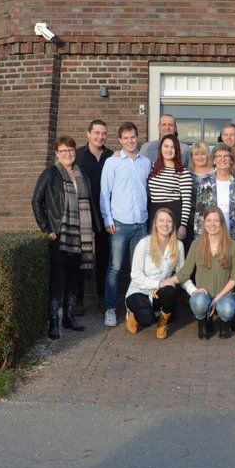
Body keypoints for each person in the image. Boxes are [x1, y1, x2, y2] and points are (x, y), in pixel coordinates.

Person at [31, 135, 97, 339]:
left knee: (73, 279)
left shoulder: (81, 173)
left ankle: (69, 318)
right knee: (57, 281)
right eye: (63, 151)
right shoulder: (50, 174)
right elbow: (36, 202)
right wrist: (46, 228)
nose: (68, 154)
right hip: (60, 236)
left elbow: (89, 203)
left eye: (71, 150)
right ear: (57, 154)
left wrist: (91, 229)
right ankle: (54, 322)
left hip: (80, 236)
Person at [100, 122, 152, 327]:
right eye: (126, 138)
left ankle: (133, 308)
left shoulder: (145, 163)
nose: (130, 141)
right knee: (115, 267)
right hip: (119, 223)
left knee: (137, 269)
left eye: (133, 137)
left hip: (141, 223)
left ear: (137, 138)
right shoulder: (112, 163)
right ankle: (110, 309)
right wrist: (108, 218)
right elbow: (105, 192)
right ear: (120, 140)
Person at [171, 206, 235, 339]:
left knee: (226, 309)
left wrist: (217, 298)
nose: (212, 224)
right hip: (203, 295)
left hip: (225, 295)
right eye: (209, 220)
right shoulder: (196, 245)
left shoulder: (233, 246)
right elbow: (185, 272)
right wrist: (163, 283)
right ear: (204, 223)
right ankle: (203, 322)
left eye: (216, 220)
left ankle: (225, 323)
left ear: (222, 223)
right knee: (199, 302)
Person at [124, 208, 185, 340]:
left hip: (159, 292)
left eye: (169, 221)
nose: (165, 224)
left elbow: (182, 275)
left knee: (171, 290)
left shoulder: (178, 245)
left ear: (173, 224)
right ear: (155, 224)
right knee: (146, 320)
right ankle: (132, 314)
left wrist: (195, 292)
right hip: (139, 290)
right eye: (161, 220)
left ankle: (162, 324)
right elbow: (135, 275)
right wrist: (158, 283)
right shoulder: (144, 243)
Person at [75, 119, 111, 316]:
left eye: (103, 133)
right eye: (96, 133)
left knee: (104, 258)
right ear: (88, 134)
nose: (100, 137)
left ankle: (102, 298)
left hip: (105, 214)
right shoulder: (78, 156)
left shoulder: (111, 156)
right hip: (84, 214)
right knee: (82, 257)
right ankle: (78, 300)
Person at [147, 135, 193, 242]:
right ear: (160, 148)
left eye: (173, 147)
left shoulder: (182, 173)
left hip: (174, 216)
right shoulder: (152, 167)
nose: (169, 150)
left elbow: (187, 201)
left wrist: (183, 225)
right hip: (155, 214)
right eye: (166, 146)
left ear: (177, 150)